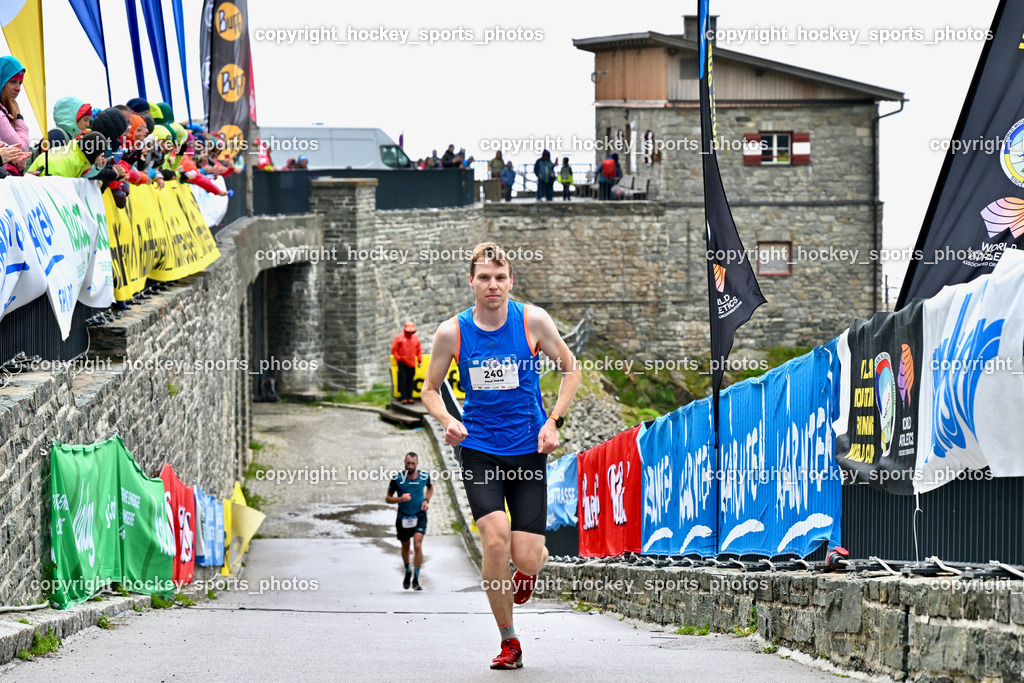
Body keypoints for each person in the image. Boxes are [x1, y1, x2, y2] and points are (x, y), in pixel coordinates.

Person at [420, 242, 580, 670]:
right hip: (480, 450)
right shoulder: (452, 332)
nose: (493, 285)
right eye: (485, 278)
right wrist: (447, 420)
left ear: (511, 281)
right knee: (494, 540)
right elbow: (430, 390)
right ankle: (510, 641)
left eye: (500, 277)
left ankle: (529, 568)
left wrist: (553, 422)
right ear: (471, 282)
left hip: (527, 449)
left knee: (526, 556)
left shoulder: (532, 321)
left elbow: (571, 367)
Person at [385, 452, 432, 591]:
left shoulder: (424, 476)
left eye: (413, 463)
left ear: (417, 463)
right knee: (405, 546)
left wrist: (426, 500)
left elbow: (430, 487)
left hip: (419, 515)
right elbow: (388, 498)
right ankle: (407, 570)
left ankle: (416, 577)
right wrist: (400, 499)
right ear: (404, 462)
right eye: (408, 463)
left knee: (417, 545)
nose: (410, 466)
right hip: (403, 517)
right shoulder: (397, 479)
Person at [392, 321, 423, 404]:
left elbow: (419, 350)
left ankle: (410, 397)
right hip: (402, 362)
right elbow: (394, 350)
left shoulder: (415, 339)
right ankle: (404, 397)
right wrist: (399, 359)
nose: (410, 333)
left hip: (412, 363)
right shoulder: (399, 338)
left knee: (410, 381)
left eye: (411, 332)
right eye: (408, 332)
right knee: (403, 380)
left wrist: (419, 360)